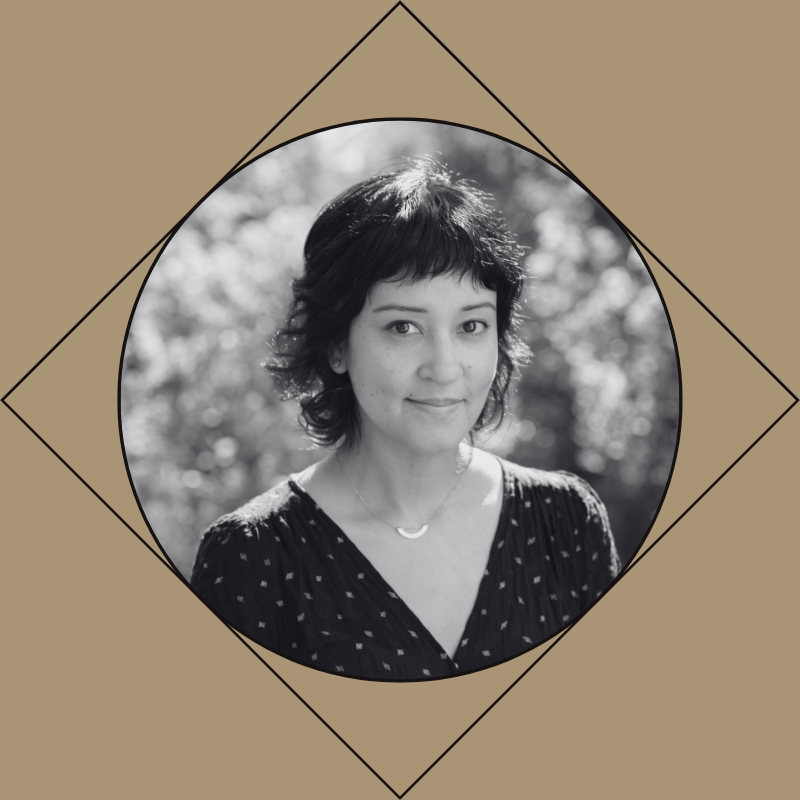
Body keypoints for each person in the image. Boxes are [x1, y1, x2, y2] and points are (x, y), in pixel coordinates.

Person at [190, 159, 620, 680]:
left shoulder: (565, 522)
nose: (444, 368)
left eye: (471, 326)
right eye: (402, 327)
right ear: (335, 345)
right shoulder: (254, 557)